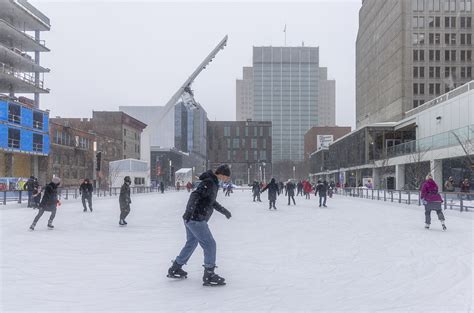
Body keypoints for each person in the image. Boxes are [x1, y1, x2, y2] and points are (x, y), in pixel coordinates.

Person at [167, 164, 232, 286]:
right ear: (222, 174)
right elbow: (194, 195)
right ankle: (209, 274)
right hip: (196, 218)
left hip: (191, 218)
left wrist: (224, 211)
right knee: (210, 244)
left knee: (192, 242)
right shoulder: (210, 182)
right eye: (227, 177)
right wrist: (189, 211)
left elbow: (211, 201)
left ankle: (175, 268)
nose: (227, 179)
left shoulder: (212, 182)